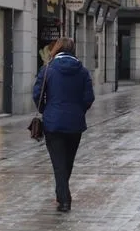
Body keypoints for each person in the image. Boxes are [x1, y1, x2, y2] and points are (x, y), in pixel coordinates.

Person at [32, 37, 95, 212]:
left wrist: (47, 109)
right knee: (68, 161)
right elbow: (89, 97)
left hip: (54, 123)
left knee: (58, 162)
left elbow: (37, 94)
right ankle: (62, 194)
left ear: (57, 49)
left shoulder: (48, 70)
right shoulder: (82, 71)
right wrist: (79, 110)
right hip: (75, 123)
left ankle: (64, 199)